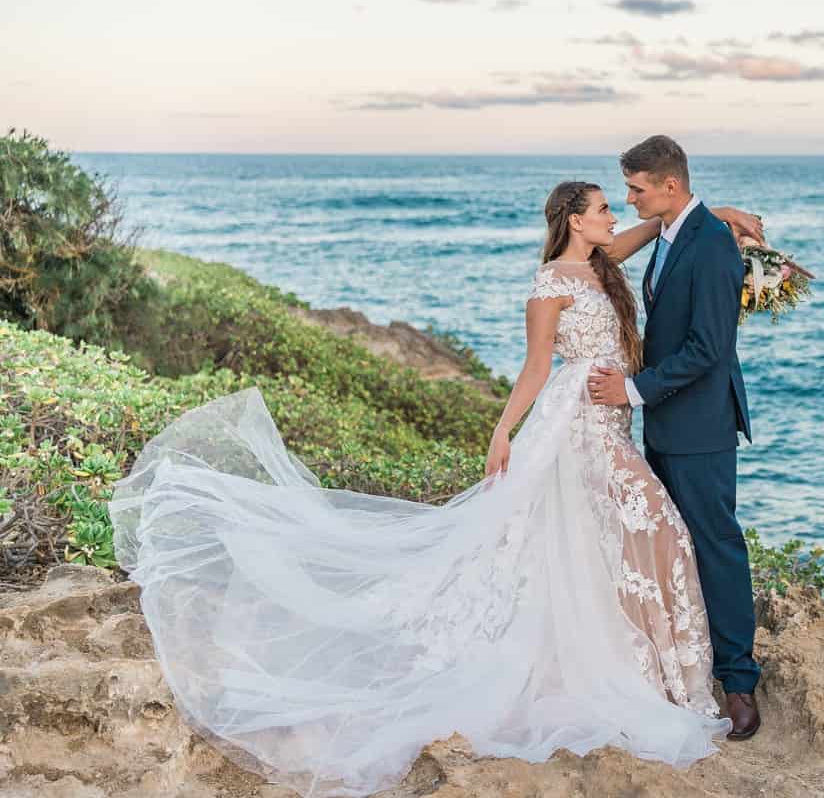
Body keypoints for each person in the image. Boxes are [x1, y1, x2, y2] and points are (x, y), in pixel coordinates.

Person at [109, 180, 766, 798]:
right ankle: (651, 673)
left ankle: (649, 666)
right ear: (575, 220)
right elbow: (537, 367)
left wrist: (716, 216)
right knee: (661, 528)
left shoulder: (601, 259)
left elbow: (657, 224)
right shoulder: (551, 285)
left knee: (610, 539)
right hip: (581, 424)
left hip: (613, 419)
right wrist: (503, 432)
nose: (612, 215)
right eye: (601, 208)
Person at [585, 135, 762, 740]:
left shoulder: (712, 246)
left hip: (700, 424)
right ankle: (682, 660)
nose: (627, 198)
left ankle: (740, 682)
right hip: (663, 422)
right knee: (670, 547)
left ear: (669, 185)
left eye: (636, 188)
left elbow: (710, 349)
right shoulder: (675, 230)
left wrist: (631, 391)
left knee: (716, 543)